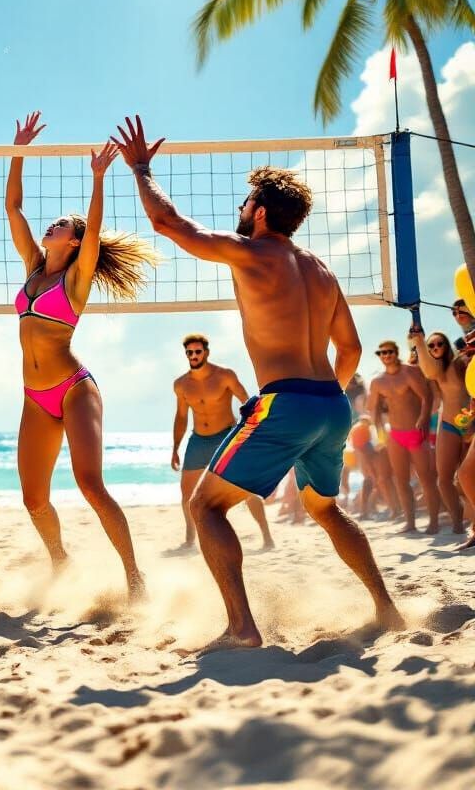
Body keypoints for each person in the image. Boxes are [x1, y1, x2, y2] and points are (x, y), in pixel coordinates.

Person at [114, 115, 403, 650]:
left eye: (246, 204)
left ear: (262, 212)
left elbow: (169, 224)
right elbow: (353, 350)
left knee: (205, 507)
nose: (240, 211)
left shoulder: (251, 253)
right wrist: (323, 400)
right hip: (331, 404)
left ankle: (243, 629)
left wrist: (139, 168)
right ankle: (387, 609)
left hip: (287, 401)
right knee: (324, 508)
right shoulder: (322, 270)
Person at [5, 112, 154, 599]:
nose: (54, 224)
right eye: (56, 221)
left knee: (91, 485)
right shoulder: (32, 267)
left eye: (64, 224)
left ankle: (134, 575)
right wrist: (18, 150)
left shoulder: (75, 278)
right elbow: (13, 208)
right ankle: (60, 561)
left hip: (73, 389)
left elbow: (94, 235)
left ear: (73, 241)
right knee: (33, 499)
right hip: (33, 396)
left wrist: (98, 178)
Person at [172, 334, 273, 551]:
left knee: (245, 489)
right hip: (198, 440)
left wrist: (252, 436)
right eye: (189, 352)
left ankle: (267, 537)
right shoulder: (181, 385)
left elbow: (247, 403)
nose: (193, 356)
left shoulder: (224, 376)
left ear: (206, 352)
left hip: (225, 436)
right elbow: (181, 417)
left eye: (197, 351)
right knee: (186, 492)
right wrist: (175, 448)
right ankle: (190, 539)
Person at [368, 340, 440, 534]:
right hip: (395, 435)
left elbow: (426, 397)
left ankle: (434, 522)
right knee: (400, 480)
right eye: (381, 353)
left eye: (389, 352)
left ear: (396, 352)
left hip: (416, 432)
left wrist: (424, 419)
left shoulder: (410, 372)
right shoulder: (378, 381)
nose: (386, 355)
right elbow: (372, 408)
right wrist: (379, 433)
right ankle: (410, 523)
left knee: (426, 479)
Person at [410, 328, 469, 536]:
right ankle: (457, 519)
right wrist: (418, 340)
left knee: (465, 477)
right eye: (431, 345)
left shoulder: (460, 363)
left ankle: (470, 516)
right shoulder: (435, 371)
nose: (435, 348)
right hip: (447, 425)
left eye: (439, 344)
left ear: (446, 346)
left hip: (470, 423)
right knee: (443, 480)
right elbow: (426, 372)